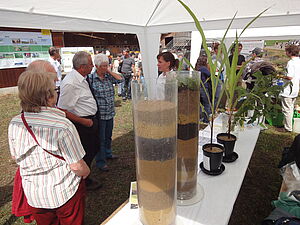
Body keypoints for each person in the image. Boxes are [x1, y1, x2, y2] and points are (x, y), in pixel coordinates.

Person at [8, 70, 90, 225]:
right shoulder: (63, 125)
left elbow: (15, 157)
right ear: (49, 95)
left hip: (35, 195)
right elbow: (77, 166)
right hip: (65, 192)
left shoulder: (15, 122)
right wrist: (87, 172)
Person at [58, 51, 101, 189]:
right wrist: (84, 122)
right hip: (83, 123)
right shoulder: (71, 83)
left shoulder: (81, 78)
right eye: (90, 64)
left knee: (94, 148)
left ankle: (85, 177)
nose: (93, 66)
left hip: (90, 120)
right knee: (85, 151)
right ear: (82, 67)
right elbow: (62, 110)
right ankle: (82, 181)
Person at [87, 54, 123, 171]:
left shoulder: (109, 77)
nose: (105, 68)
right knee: (100, 139)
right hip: (100, 114)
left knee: (108, 136)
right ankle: (101, 162)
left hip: (110, 113)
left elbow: (121, 79)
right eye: (103, 66)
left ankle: (108, 153)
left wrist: (109, 71)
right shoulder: (91, 79)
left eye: (107, 65)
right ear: (96, 66)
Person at [280, 45, 300, 132]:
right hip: (295, 88)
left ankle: (288, 128)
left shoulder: (291, 62)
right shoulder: (298, 61)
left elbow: (289, 76)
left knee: (286, 109)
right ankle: (289, 125)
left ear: (290, 52)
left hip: (288, 89)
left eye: (287, 51)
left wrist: (280, 75)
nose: (286, 53)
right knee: (290, 107)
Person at [195, 55, 212, 123]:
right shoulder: (203, 68)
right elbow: (210, 75)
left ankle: (199, 118)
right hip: (204, 88)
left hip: (198, 88)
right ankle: (206, 119)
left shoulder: (197, 68)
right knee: (206, 104)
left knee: (199, 105)